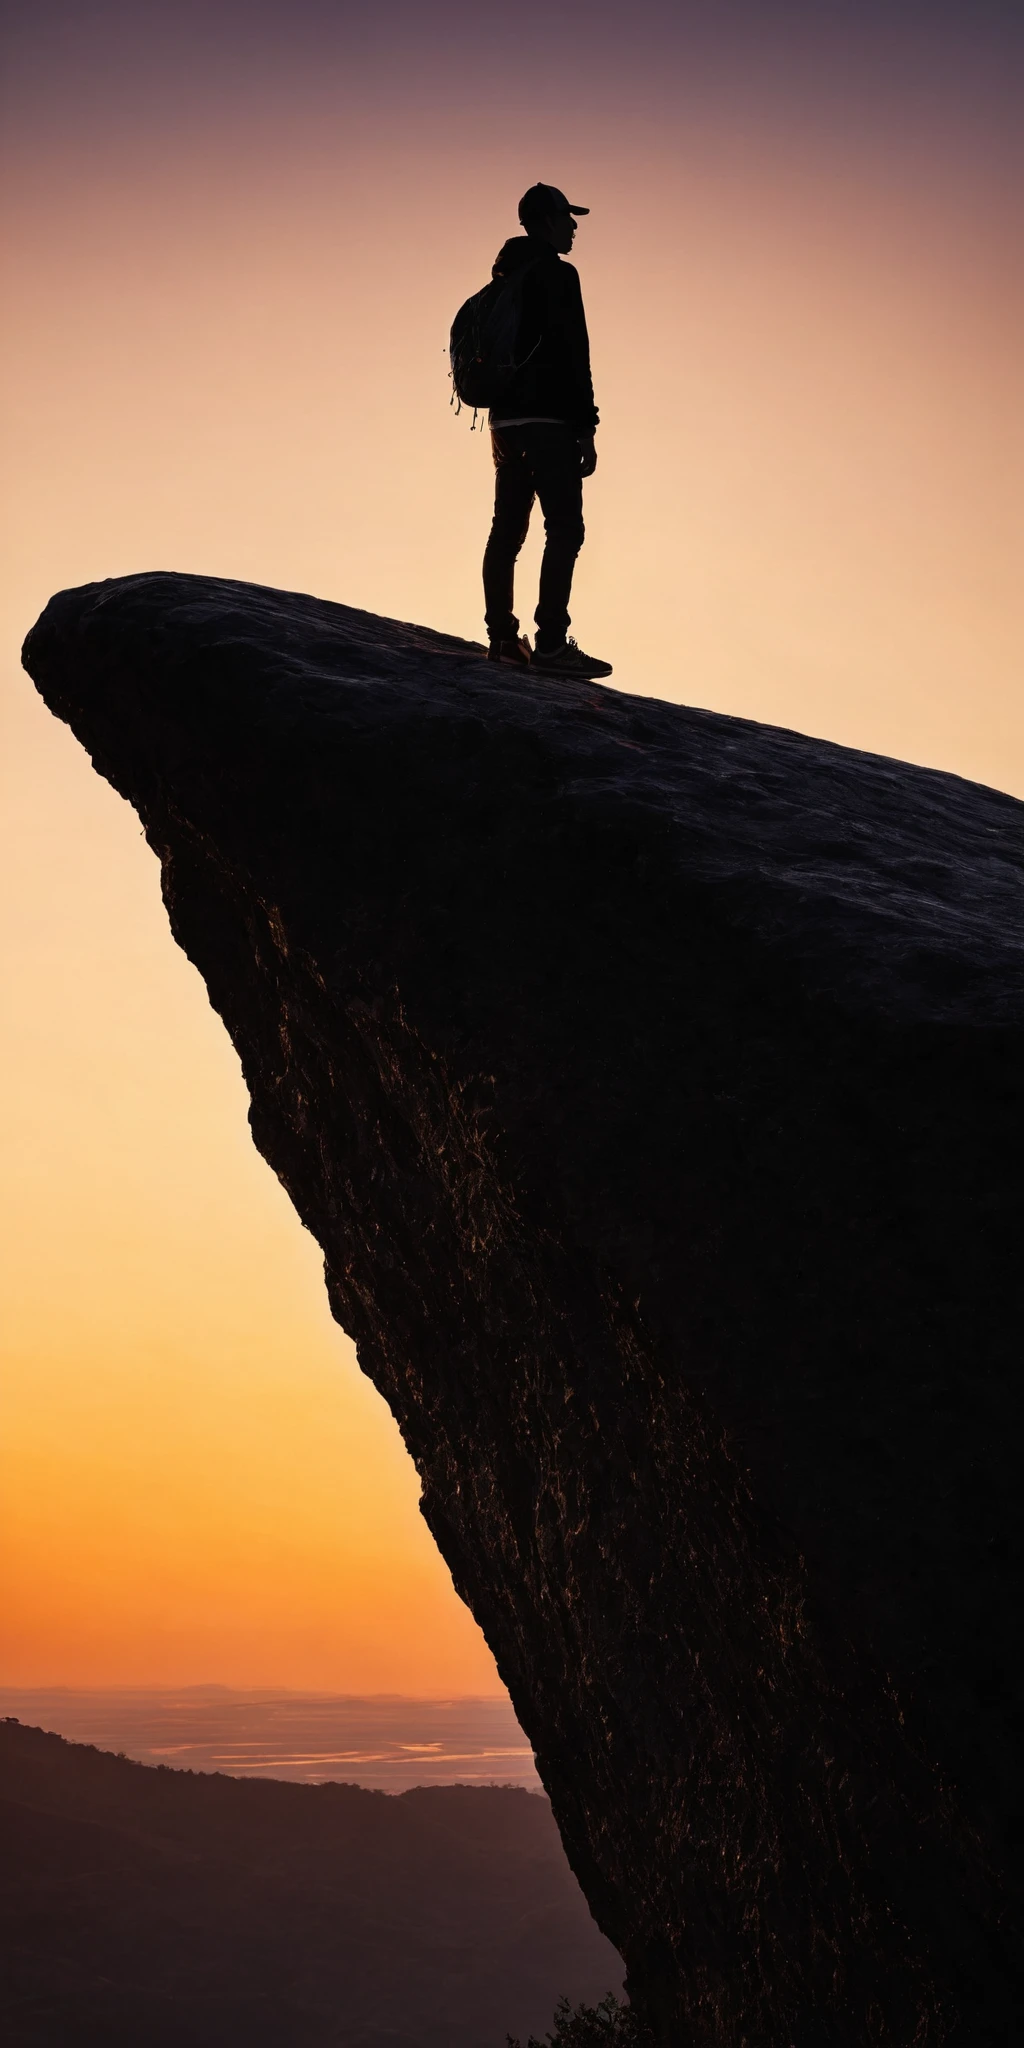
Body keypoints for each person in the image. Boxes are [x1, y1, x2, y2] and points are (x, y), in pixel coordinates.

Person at [483, 183, 612, 680]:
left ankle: (501, 638)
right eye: (567, 217)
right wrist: (586, 428)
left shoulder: (501, 278)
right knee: (564, 528)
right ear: (546, 221)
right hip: (549, 422)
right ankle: (551, 645)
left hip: (503, 422)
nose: (574, 226)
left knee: (506, 531)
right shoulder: (559, 275)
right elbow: (573, 354)